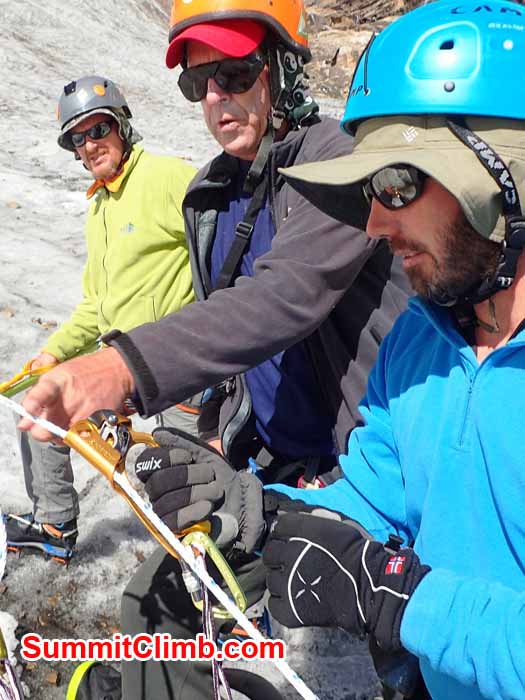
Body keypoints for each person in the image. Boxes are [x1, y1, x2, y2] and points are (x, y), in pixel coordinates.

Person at [20, 2, 410, 698]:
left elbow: (284, 296)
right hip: (271, 473)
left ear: (282, 70)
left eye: (233, 74)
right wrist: (217, 431)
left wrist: (124, 365)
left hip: (373, 471)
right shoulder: (219, 193)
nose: (214, 98)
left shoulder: (339, 163)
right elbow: (226, 322)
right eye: (197, 83)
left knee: (405, 658)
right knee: (157, 606)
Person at [256, 1, 525, 699]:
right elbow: (379, 494)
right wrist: (256, 517)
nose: (373, 222)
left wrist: (401, 600)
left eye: (395, 183)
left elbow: (392, 591)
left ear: (504, 178)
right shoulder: (419, 334)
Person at [5, 75, 198, 563]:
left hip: (173, 370)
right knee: (41, 403)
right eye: (78, 138)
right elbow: (97, 303)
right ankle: (55, 523)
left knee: (189, 492)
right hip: (118, 368)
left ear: (122, 127)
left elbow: (223, 247)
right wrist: (54, 352)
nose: (90, 145)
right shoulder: (101, 208)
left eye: (99, 129)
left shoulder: (165, 178)